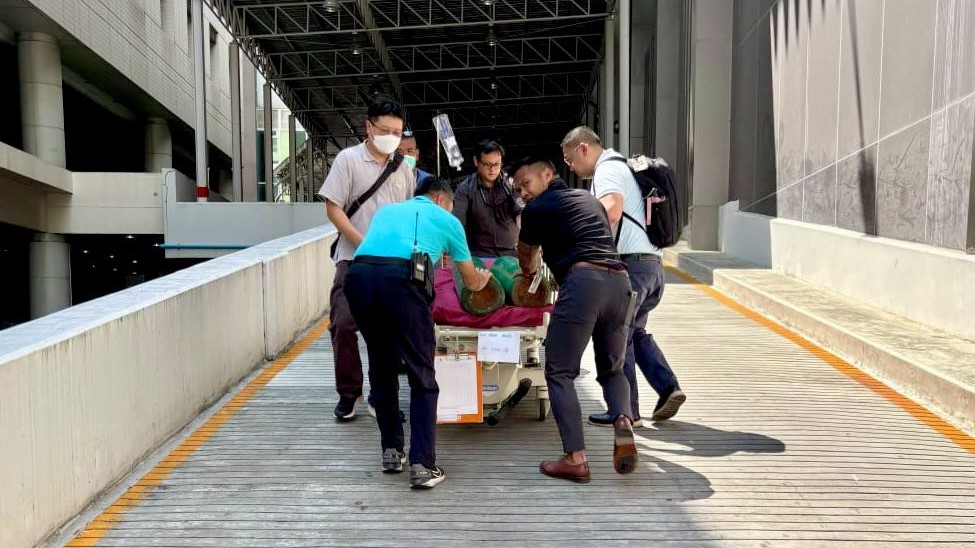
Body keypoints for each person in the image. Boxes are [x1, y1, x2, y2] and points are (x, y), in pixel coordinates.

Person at [344, 177, 492, 489]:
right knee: (422, 373)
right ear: (441, 199)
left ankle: (391, 450)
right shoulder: (447, 219)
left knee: (382, 368)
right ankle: (423, 464)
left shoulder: (386, 211)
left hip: (358, 278)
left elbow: (376, 249)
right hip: (402, 281)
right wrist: (482, 278)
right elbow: (470, 282)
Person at [510, 155, 638, 484]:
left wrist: (526, 273)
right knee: (612, 368)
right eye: (518, 188)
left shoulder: (536, 210)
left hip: (584, 283)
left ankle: (575, 459)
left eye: (526, 183)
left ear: (548, 173)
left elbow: (526, 256)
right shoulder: (588, 198)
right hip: (621, 283)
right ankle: (623, 420)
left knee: (559, 370)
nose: (523, 192)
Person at [561, 126, 686, 426]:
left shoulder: (607, 170)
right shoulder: (622, 167)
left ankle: (625, 412)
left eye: (569, 160)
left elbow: (612, 210)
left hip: (633, 269)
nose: (570, 166)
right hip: (653, 267)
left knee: (617, 335)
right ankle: (668, 388)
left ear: (583, 149)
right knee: (635, 332)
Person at [318, 98, 416, 422]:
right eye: (385, 130)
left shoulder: (403, 168)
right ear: (369, 127)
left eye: (397, 132)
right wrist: (364, 242)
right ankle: (349, 393)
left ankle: (381, 395)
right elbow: (333, 207)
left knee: (387, 331)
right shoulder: (348, 160)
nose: (391, 136)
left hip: (392, 264)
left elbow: (407, 214)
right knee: (343, 324)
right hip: (353, 259)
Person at [452, 140, 523, 257]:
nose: (493, 169)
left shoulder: (511, 183)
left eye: (497, 164)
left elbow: (520, 213)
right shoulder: (465, 188)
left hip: (511, 253)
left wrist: (525, 239)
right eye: (488, 164)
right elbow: (458, 223)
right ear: (476, 161)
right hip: (478, 255)